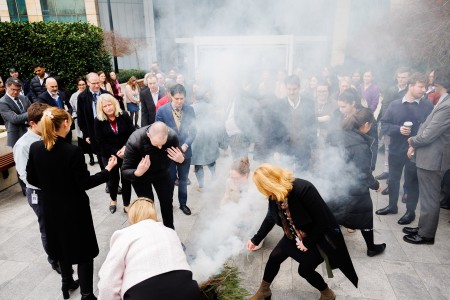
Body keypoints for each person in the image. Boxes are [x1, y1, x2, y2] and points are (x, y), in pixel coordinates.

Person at [26, 107, 117, 299]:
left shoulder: (35, 147)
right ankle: (86, 295)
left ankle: (66, 283)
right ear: (66, 124)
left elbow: (32, 179)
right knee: (84, 253)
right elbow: (85, 183)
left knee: (61, 247)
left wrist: (52, 185)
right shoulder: (72, 151)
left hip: (50, 208)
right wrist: (107, 170)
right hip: (74, 210)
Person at [247, 164, 358, 300]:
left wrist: (307, 243)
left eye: (262, 188)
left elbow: (323, 221)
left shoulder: (304, 188)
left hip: (318, 238)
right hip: (293, 235)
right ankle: (264, 291)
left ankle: (327, 294)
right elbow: (271, 216)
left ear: (269, 184)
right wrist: (256, 239)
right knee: (274, 257)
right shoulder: (274, 194)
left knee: (304, 270)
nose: (262, 192)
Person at [97, 197, 201, 300]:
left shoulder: (124, 234)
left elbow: (107, 282)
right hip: (188, 291)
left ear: (131, 215)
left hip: (143, 292)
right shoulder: (170, 231)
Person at [327, 108, 386, 257]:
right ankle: (371, 248)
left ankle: (331, 244)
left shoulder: (337, 134)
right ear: (365, 124)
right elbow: (363, 173)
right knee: (365, 216)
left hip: (336, 184)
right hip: (354, 188)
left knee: (334, 214)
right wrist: (376, 185)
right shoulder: (360, 145)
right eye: (371, 125)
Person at [377, 73, 433, 225]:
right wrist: (398, 129)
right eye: (421, 86)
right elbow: (384, 124)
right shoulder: (395, 104)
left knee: (412, 182)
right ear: (411, 86)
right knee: (393, 179)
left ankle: (410, 212)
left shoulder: (427, 106)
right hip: (396, 149)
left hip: (415, 151)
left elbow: (431, 129)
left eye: (425, 87)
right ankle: (392, 206)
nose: (424, 90)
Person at [13, 102, 61, 273]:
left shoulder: (50, 136)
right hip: (39, 193)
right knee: (47, 228)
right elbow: (25, 175)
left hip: (55, 189)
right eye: (46, 120)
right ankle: (54, 260)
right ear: (33, 123)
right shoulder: (23, 145)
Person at [404, 67, 450, 245]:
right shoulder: (443, 100)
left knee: (430, 199)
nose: (430, 79)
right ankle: (423, 227)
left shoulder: (447, 105)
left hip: (433, 159)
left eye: (433, 77)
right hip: (429, 157)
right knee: (426, 197)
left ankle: (426, 235)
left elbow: (430, 133)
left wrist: (413, 142)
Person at [122, 121, 185, 229]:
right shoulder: (135, 140)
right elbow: (125, 170)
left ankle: (170, 231)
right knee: (147, 207)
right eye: (156, 144)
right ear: (148, 135)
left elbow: (179, 156)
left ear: (168, 134)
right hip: (141, 177)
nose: (160, 147)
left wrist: (181, 159)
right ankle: (152, 234)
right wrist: (137, 172)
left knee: (167, 203)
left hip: (162, 173)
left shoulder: (172, 136)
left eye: (163, 144)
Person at [156, 84, 196, 215]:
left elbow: (194, 131)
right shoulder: (162, 111)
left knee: (183, 179)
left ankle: (183, 204)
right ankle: (168, 203)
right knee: (170, 179)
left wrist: (186, 145)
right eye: (176, 98)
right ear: (170, 96)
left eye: (182, 98)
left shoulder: (190, 110)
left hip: (185, 152)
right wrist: (169, 148)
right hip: (169, 153)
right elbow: (158, 133)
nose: (179, 101)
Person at [95, 94, 135, 214]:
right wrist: (117, 152)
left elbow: (132, 133)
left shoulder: (124, 115)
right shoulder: (98, 120)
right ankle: (113, 200)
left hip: (126, 152)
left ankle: (126, 204)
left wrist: (125, 148)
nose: (108, 108)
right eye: (105, 106)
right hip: (109, 155)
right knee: (113, 179)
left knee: (126, 179)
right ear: (101, 108)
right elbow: (100, 141)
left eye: (110, 104)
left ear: (114, 103)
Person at [375, 67, 411, 182]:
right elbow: (385, 105)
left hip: (402, 126)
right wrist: (386, 119)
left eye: (403, 77)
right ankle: (386, 171)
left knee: (400, 152)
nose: (400, 80)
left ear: (408, 78)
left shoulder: (409, 91)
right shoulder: (391, 89)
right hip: (389, 123)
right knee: (387, 147)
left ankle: (396, 177)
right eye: (399, 77)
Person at [77, 72, 112, 170]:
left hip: (108, 131)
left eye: (98, 82)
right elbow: (81, 118)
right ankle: (108, 181)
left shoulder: (106, 94)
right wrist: (86, 134)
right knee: (101, 158)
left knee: (111, 156)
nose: (97, 85)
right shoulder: (82, 97)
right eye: (93, 83)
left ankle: (114, 181)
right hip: (94, 132)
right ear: (87, 83)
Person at [190, 86, 222, 191]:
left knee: (198, 161)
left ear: (195, 96)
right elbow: (216, 122)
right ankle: (214, 178)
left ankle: (202, 186)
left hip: (197, 137)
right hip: (210, 134)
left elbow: (189, 124)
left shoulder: (191, 108)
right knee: (211, 158)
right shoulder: (211, 106)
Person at [37, 77, 73, 143]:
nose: (55, 88)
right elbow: (44, 113)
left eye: (56, 86)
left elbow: (70, 107)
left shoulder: (62, 94)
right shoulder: (42, 98)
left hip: (66, 127)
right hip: (54, 129)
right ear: (46, 86)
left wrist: (67, 113)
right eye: (52, 87)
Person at [70, 77, 95, 165]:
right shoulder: (74, 96)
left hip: (91, 120)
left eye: (83, 84)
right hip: (80, 120)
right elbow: (72, 108)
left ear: (86, 84)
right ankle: (91, 157)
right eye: (80, 85)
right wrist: (74, 116)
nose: (81, 86)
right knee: (85, 139)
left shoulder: (90, 93)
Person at [0, 77, 32, 148]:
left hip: (30, 132)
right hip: (16, 135)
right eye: (13, 89)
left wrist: (20, 116)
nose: (16, 92)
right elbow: (14, 119)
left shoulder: (24, 98)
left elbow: (34, 111)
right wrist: (29, 113)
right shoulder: (2, 102)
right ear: (6, 87)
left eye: (18, 90)